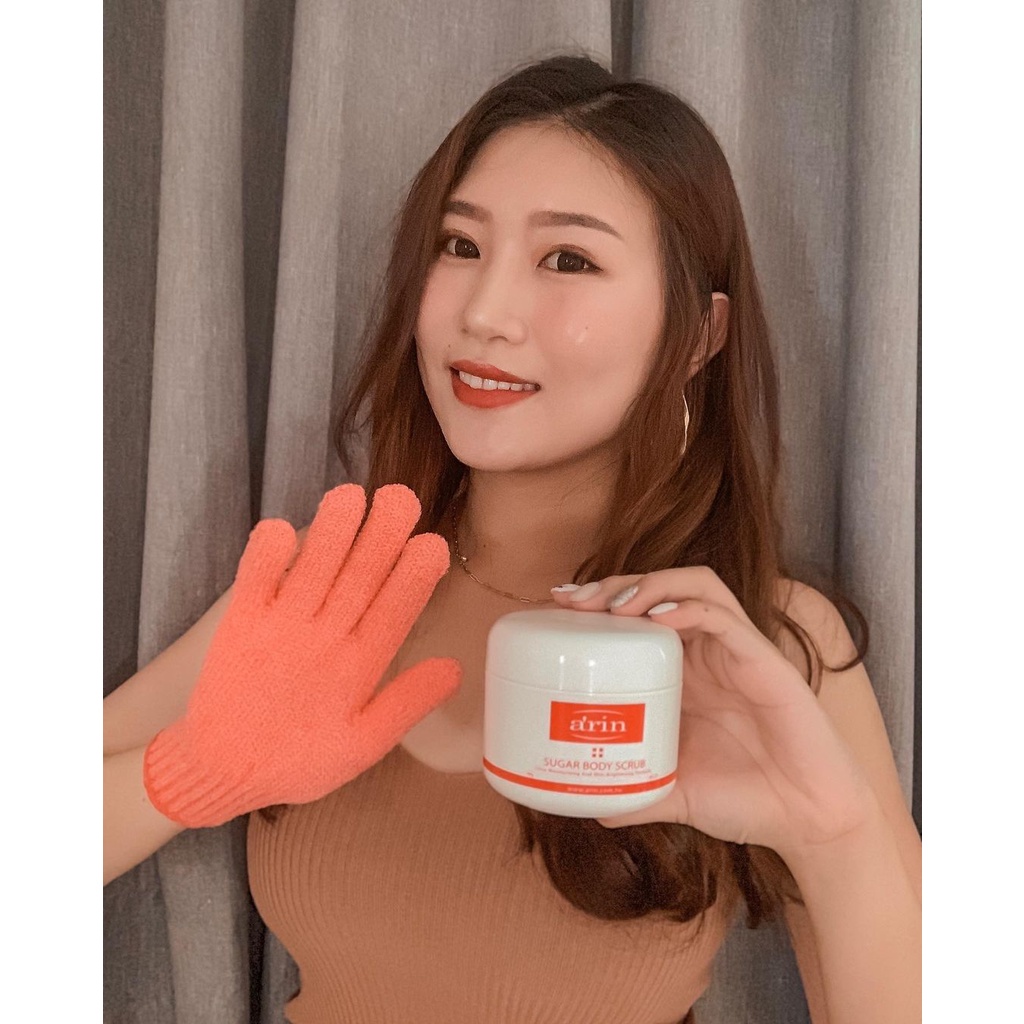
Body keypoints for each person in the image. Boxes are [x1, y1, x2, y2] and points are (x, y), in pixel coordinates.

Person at [104, 54, 921, 1023]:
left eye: (567, 259)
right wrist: (187, 773)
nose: (483, 314)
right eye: (458, 245)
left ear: (699, 336)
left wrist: (834, 837)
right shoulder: (339, 589)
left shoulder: (761, 643)